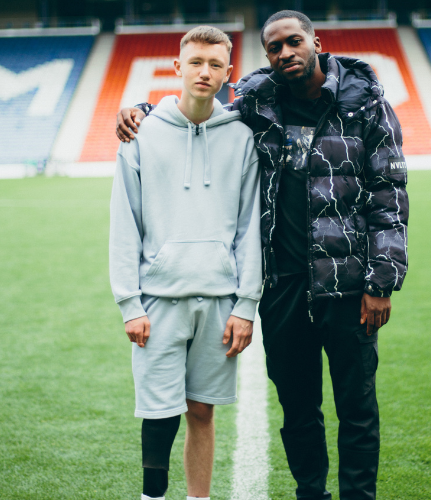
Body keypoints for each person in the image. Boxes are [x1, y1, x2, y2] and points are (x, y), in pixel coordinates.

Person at [117, 11, 408, 499]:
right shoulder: (260, 101)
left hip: (348, 284)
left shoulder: (366, 104)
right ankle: (309, 493)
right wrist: (145, 109)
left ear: (316, 41)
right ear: (266, 56)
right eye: (274, 48)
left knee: (357, 409)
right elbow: (196, 103)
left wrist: (382, 282)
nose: (286, 53)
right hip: (284, 286)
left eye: (294, 42)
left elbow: (389, 194)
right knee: (297, 409)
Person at [108, 26, 261, 500]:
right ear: (177, 67)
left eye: (215, 64)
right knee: (157, 412)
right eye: (195, 62)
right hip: (158, 301)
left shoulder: (241, 136)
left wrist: (246, 305)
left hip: (219, 301)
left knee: (202, 412)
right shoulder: (138, 134)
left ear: (227, 73)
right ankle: (152, 497)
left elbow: (249, 226)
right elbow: (123, 222)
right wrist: (130, 303)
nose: (204, 71)